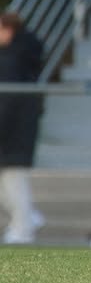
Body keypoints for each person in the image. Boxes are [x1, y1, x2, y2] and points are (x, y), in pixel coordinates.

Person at [0, 12, 44, 244]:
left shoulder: (12, 61)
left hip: (14, 130)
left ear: (8, 30)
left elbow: (7, 101)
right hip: (18, 127)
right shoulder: (18, 57)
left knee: (14, 180)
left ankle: (23, 228)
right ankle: (27, 217)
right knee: (10, 181)